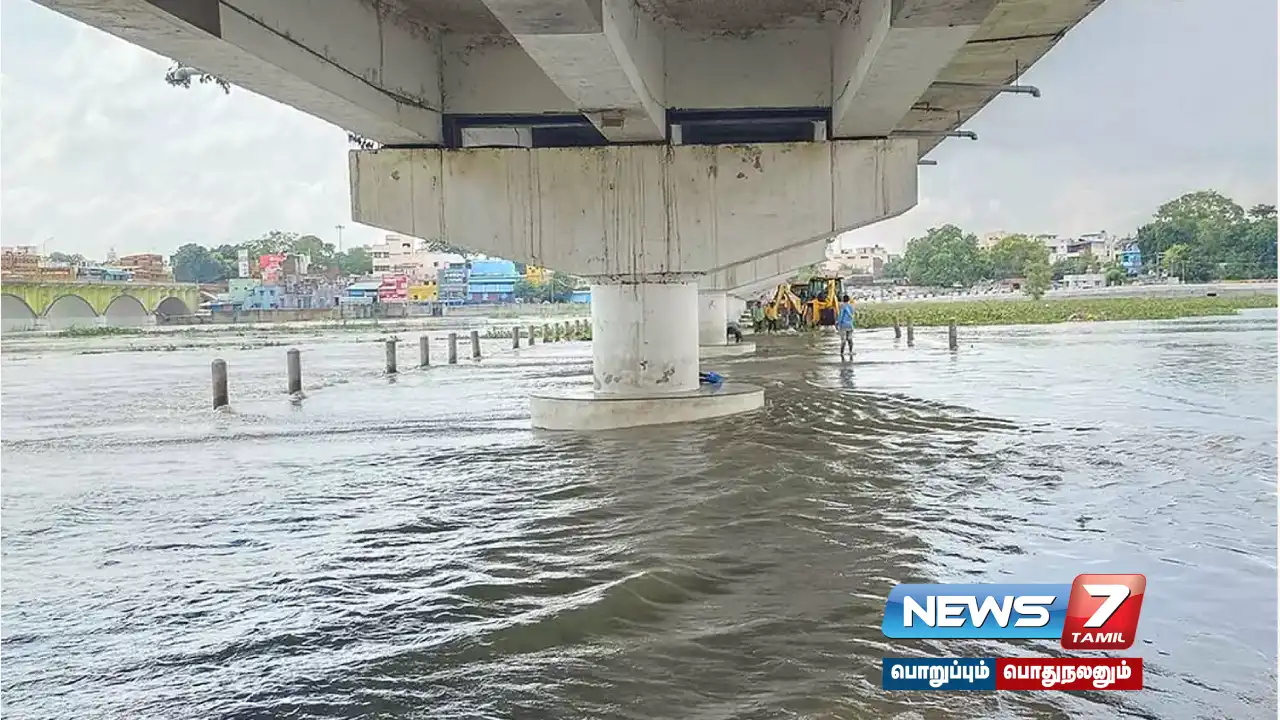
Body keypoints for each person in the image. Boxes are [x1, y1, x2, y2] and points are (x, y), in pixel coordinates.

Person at [837, 294, 856, 359]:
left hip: (843, 325)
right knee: (850, 339)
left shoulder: (842, 306)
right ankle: (850, 351)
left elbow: (841, 316)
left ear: (843, 300)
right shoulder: (851, 306)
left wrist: (838, 324)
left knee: (843, 340)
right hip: (850, 325)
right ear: (848, 300)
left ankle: (841, 353)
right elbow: (853, 316)